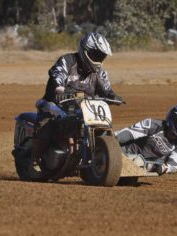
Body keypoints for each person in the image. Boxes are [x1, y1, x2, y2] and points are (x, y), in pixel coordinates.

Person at [32, 32, 122, 165]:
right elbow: (56, 79)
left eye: (101, 56)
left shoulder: (99, 71)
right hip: (57, 104)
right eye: (96, 55)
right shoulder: (67, 61)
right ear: (85, 50)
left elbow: (107, 90)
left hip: (82, 107)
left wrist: (114, 96)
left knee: (101, 124)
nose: (99, 59)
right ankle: (35, 158)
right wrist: (60, 88)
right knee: (48, 120)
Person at [115, 105, 177, 175]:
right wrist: (113, 139)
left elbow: (174, 162)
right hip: (122, 154)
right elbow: (129, 133)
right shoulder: (153, 125)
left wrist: (164, 168)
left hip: (147, 166)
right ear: (174, 120)